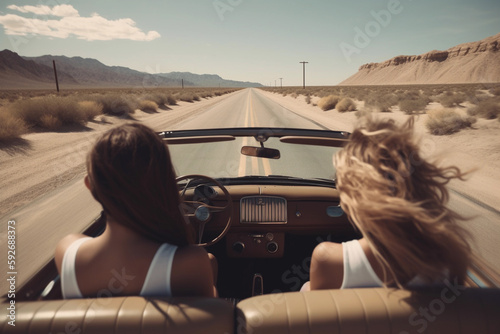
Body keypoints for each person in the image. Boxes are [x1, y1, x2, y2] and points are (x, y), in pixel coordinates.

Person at [302, 116, 472, 291]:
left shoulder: (329, 260)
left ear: (353, 195)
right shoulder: (452, 256)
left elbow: (314, 315)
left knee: (306, 287)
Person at [55, 123, 217, 298]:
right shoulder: (190, 262)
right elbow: (212, 313)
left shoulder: (67, 251)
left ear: (90, 185)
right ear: (167, 182)